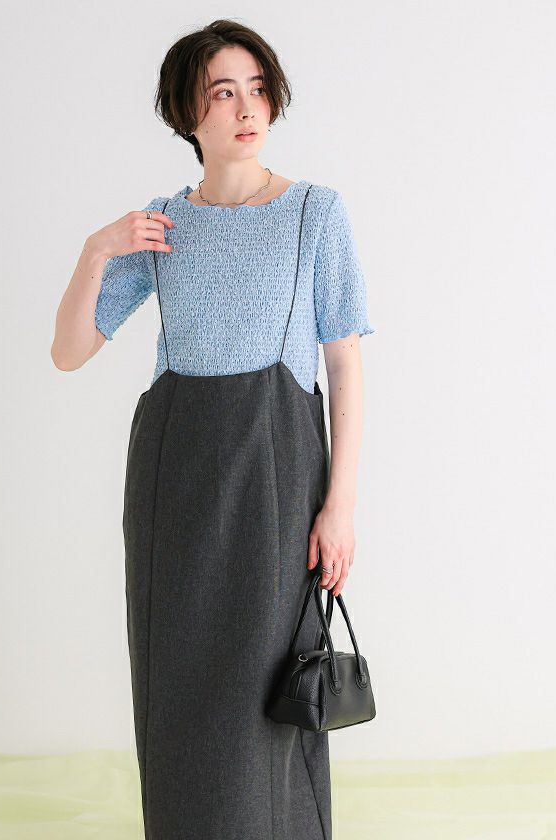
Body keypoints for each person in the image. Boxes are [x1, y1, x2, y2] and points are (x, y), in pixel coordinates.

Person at [51, 18, 375, 840]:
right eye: (223, 92)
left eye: (257, 88)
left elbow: (343, 366)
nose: (246, 107)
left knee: (266, 688)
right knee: (178, 687)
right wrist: (96, 251)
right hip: (176, 479)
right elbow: (69, 351)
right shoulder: (163, 224)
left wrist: (339, 505)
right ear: (185, 113)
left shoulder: (314, 213)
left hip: (277, 474)